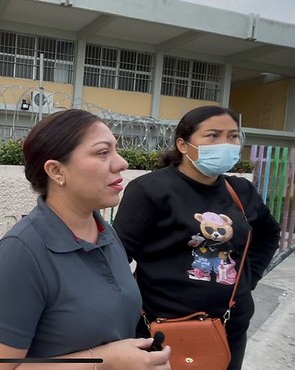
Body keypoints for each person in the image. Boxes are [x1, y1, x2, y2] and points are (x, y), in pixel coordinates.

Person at [0, 109, 172, 370]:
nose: (122, 163)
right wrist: (104, 361)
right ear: (56, 171)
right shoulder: (22, 253)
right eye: (103, 152)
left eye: (116, 150)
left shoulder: (105, 233)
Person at [111, 105, 281, 370]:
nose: (226, 143)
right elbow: (117, 256)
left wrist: (249, 278)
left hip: (228, 328)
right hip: (162, 328)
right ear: (183, 144)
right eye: (213, 135)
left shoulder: (240, 190)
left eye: (233, 136)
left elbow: (269, 234)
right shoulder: (150, 189)